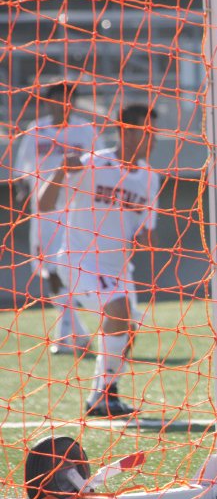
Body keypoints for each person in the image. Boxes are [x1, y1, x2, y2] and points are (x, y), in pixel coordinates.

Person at [39, 103, 160, 418]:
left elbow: (147, 231)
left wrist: (146, 241)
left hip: (118, 268)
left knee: (128, 330)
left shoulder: (150, 178)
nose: (151, 139)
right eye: (144, 131)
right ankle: (104, 394)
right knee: (119, 312)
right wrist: (60, 172)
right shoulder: (93, 164)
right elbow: (44, 203)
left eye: (153, 132)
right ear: (125, 131)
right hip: (79, 262)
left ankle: (102, 396)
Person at [13, 81, 97, 356]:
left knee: (72, 270)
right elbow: (21, 174)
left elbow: (100, 169)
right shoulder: (36, 131)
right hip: (45, 212)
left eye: (67, 99)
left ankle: (74, 332)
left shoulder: (86, 131)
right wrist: (21, 199)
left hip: (78, 212)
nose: (62, 104)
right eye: (56, 99)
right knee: (49, 271)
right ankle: (72, 333)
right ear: (48, 102)